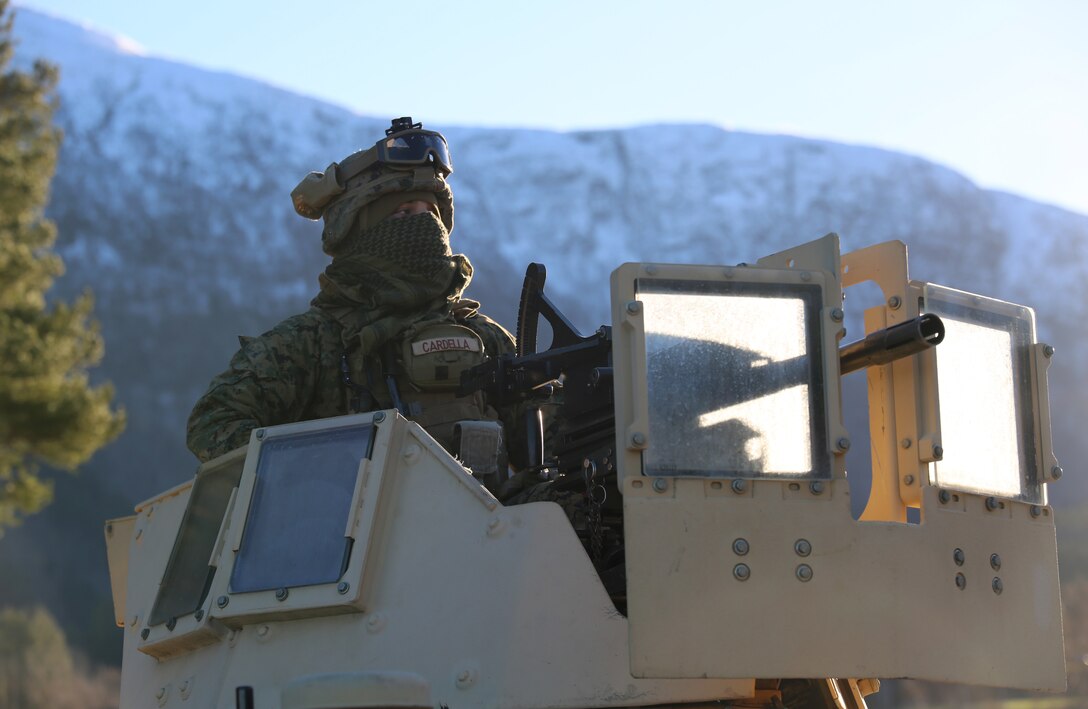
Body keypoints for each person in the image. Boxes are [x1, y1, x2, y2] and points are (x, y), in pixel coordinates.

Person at [186, 118, 517, 488]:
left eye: (430, 213)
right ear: (362, 232)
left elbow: (547, 438)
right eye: (404, 213)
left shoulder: (484, 338)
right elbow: (213, 423)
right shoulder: (311, 344)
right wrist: (317, 477)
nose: (424, 226)